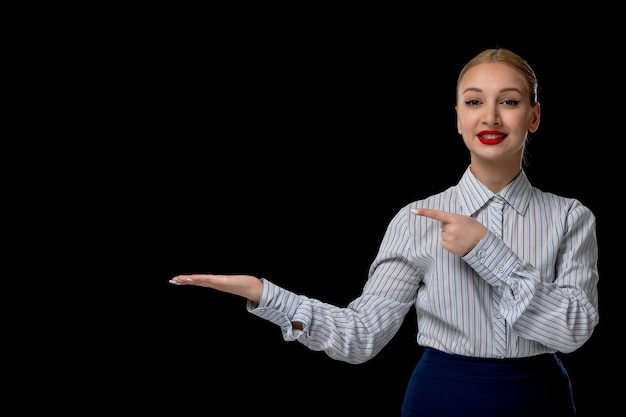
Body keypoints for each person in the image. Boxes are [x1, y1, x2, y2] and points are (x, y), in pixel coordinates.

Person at [169, 48, 599, 417]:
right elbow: (363, 336)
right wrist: (265, 294)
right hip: (441, 400)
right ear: (457, 118)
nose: (490, 116)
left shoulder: (571, 218)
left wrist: (487, 251)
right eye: (473, 102)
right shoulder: (415, 218)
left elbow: (573, 331)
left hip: (540, 400)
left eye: (508, 101)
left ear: (534, 115)